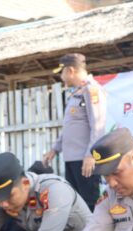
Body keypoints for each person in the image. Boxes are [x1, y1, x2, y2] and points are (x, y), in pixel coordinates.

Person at [43, 53, 106, 211]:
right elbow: (70, 126)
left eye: (62, 72)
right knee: (74, 205)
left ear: (70, 70)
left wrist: (91, 154)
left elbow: (97, 125)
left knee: (89, 204)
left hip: (85, 160)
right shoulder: (76, 92)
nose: (62, 77)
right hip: (72, 159)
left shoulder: (92, 90)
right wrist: (54, 149)